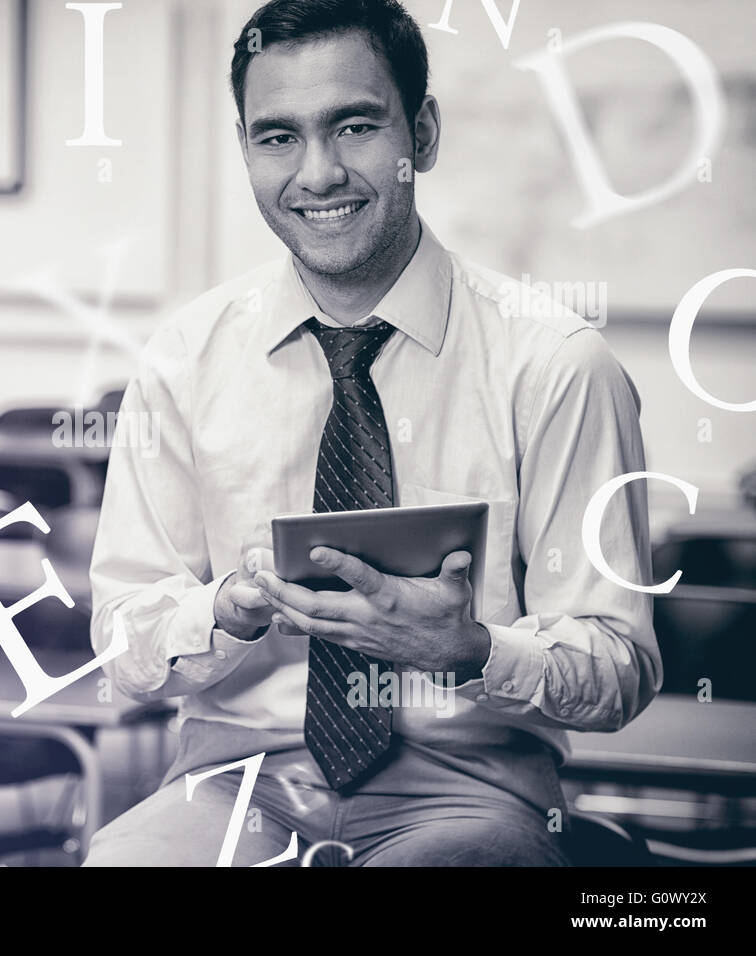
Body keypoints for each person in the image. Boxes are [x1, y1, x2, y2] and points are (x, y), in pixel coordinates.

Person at [83, 0, 660, 866]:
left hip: (474, 794)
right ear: (245, 149)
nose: (317, 173)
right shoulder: (182, 359)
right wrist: (226, 613)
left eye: (353, 126)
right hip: (237, 784)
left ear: (420, 136)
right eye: (277, 137)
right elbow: (123, 646)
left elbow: (619, 667)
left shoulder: (558, 366)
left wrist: (471, 650)